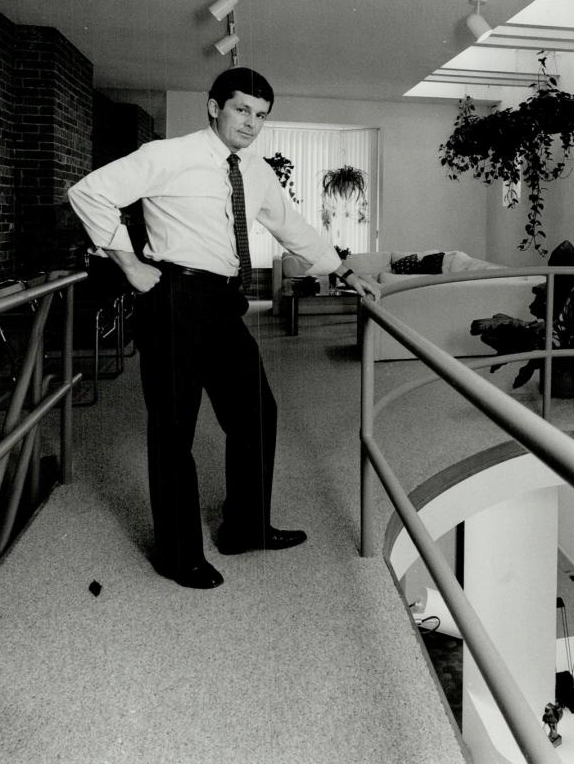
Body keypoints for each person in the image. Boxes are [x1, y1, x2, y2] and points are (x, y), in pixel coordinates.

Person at [68, 67, 379, 589]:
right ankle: (176, 553)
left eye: (261, 116)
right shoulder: (168, 155)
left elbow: (291, 224)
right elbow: (88, 192)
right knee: (174, 430)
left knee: (257, 412)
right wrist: (131, 265)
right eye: (241, 110)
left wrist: (344, 269)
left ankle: (246, 527)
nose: (251, 123)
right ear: (214, 107)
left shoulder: (254, 170)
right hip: (173, 298)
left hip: (222, 303)